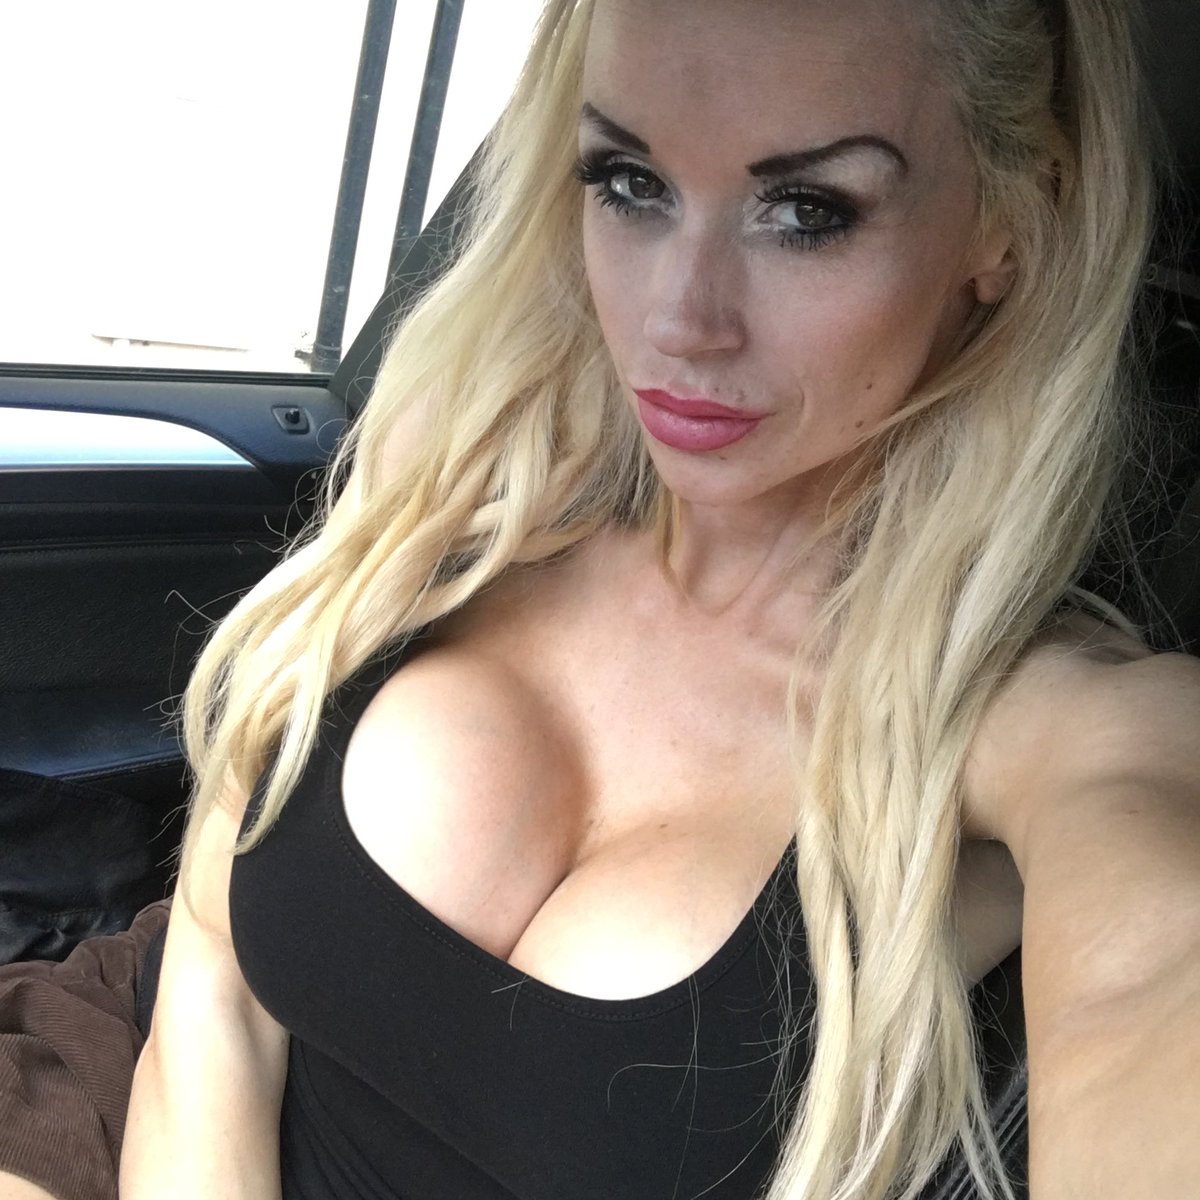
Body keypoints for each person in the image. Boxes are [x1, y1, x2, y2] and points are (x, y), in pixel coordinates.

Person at [3, 0, 1198, 1196]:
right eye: (630, 183)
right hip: (132, 1096)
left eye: (805, 212)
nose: (679, 320)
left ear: (1009, 220)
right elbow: (212, 992)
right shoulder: (469, 480)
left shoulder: (1065, 732)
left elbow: (1151, 974)